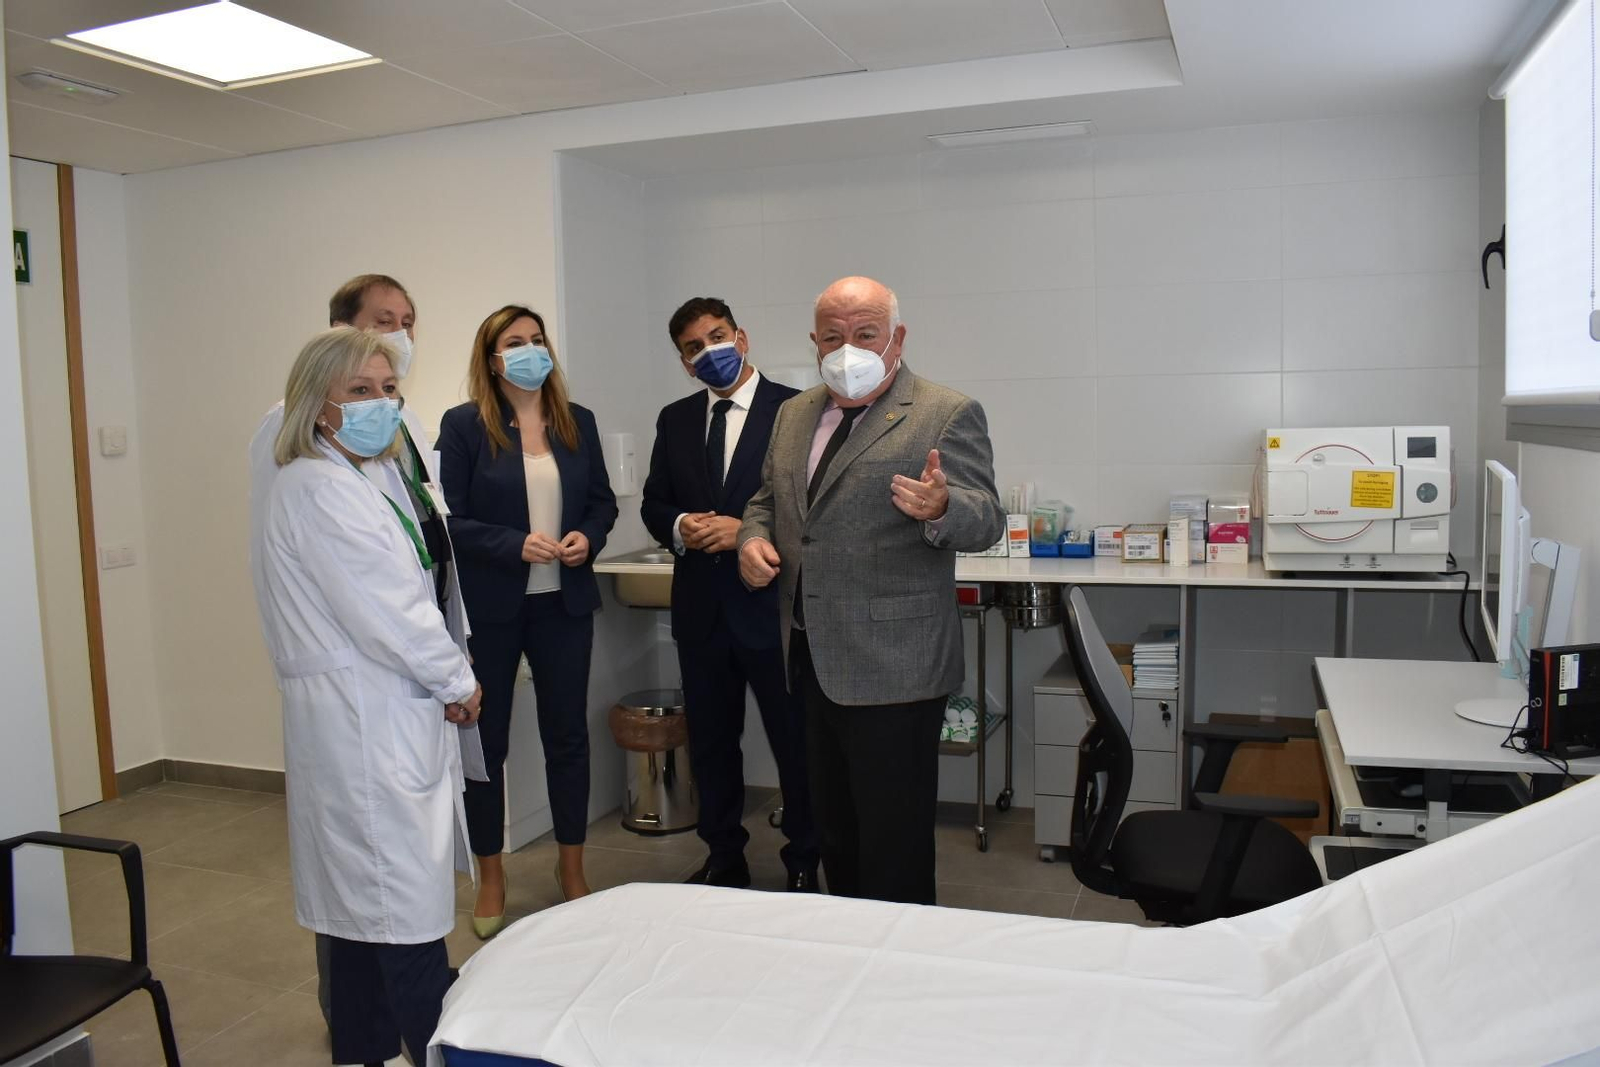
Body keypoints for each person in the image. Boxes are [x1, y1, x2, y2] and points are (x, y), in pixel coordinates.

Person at [255, 327, 483, 1067]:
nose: (380, 404)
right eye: (360, 391)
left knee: (357, 924)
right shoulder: (321, 489)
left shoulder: (350, 478)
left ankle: (361, 1054)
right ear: (317, 406)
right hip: (366, 726)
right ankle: (433, 1050)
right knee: (403, 925)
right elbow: (392, 610)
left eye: (389, 391)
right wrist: (458, 678)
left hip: (366, 721)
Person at [738, 276, 1004, 905]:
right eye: (832, 337)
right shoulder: (794, 414)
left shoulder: (944, 411)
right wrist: (752, 541)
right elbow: (765, 502)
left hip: (897, 664)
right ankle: (851, 950)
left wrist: (942, 507)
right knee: (837, 832)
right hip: (809, 659)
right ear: (814, 342)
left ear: (897, 338)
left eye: (864, 334)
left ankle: (902, 966)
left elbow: (986, 517)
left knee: (895, 839)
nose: (847, 348)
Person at [438, 304, 618, 934]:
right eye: (514, 343)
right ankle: (491, 877)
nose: (529, 351)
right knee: (486, 745)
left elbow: (599, 503)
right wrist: (510, 543)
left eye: (537, 340)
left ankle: (572, 869)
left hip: (563, 604)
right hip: (491, 610)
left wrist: (585, 538)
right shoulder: (463, 427)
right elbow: (448, 522)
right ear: (491, 359)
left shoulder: (577, 423)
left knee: (567, 736)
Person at [641, 297, 820, 891]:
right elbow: (653, 502)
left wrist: (744, 530)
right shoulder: (675, 419)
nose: (709, 351)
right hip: (701, 613)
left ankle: (803, 861)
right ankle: (724, 858)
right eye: (694, 347)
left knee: (795, 745)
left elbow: (810, 513)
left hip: (773, 610)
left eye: (717, 336)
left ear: (742, 337)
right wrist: (679, 527)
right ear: (684, 362)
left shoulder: (796, 411)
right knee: (713, 747)